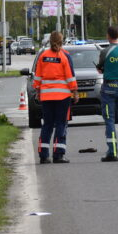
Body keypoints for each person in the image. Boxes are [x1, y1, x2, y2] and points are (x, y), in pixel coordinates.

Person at [33, 31, 77, 164]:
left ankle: (43, 155)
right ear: (61, 41)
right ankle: (58, 155)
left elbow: (37, 77)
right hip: (62, 96)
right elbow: (70, 77)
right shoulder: (65, 57)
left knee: (47, 125)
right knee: (61, 124)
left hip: (47, 97)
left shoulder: (43, 56)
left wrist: (38, 91)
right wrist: (74, 92)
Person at [97, 26, 118, 162]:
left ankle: (112, 152)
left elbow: (100, 69)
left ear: (108, 36)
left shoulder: (106, 51)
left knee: (109, 120)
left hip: (109, 88)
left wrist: (101, 68)